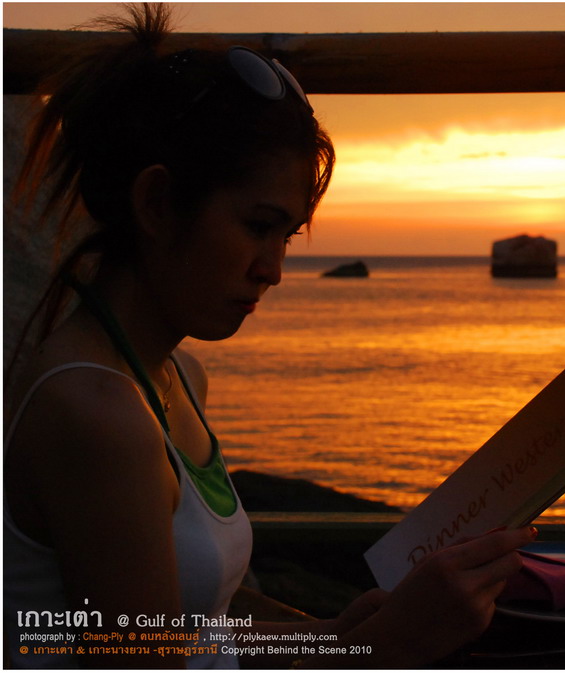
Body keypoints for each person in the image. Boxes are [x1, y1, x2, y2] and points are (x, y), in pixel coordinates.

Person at [3, 5, 535, 669]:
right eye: (258, 226)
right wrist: (376, 650)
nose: (274, 270)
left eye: (286, 235)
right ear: (157, 203)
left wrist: (331, 636)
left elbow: (199, 636)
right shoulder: (96, 413)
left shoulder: (176, 376)